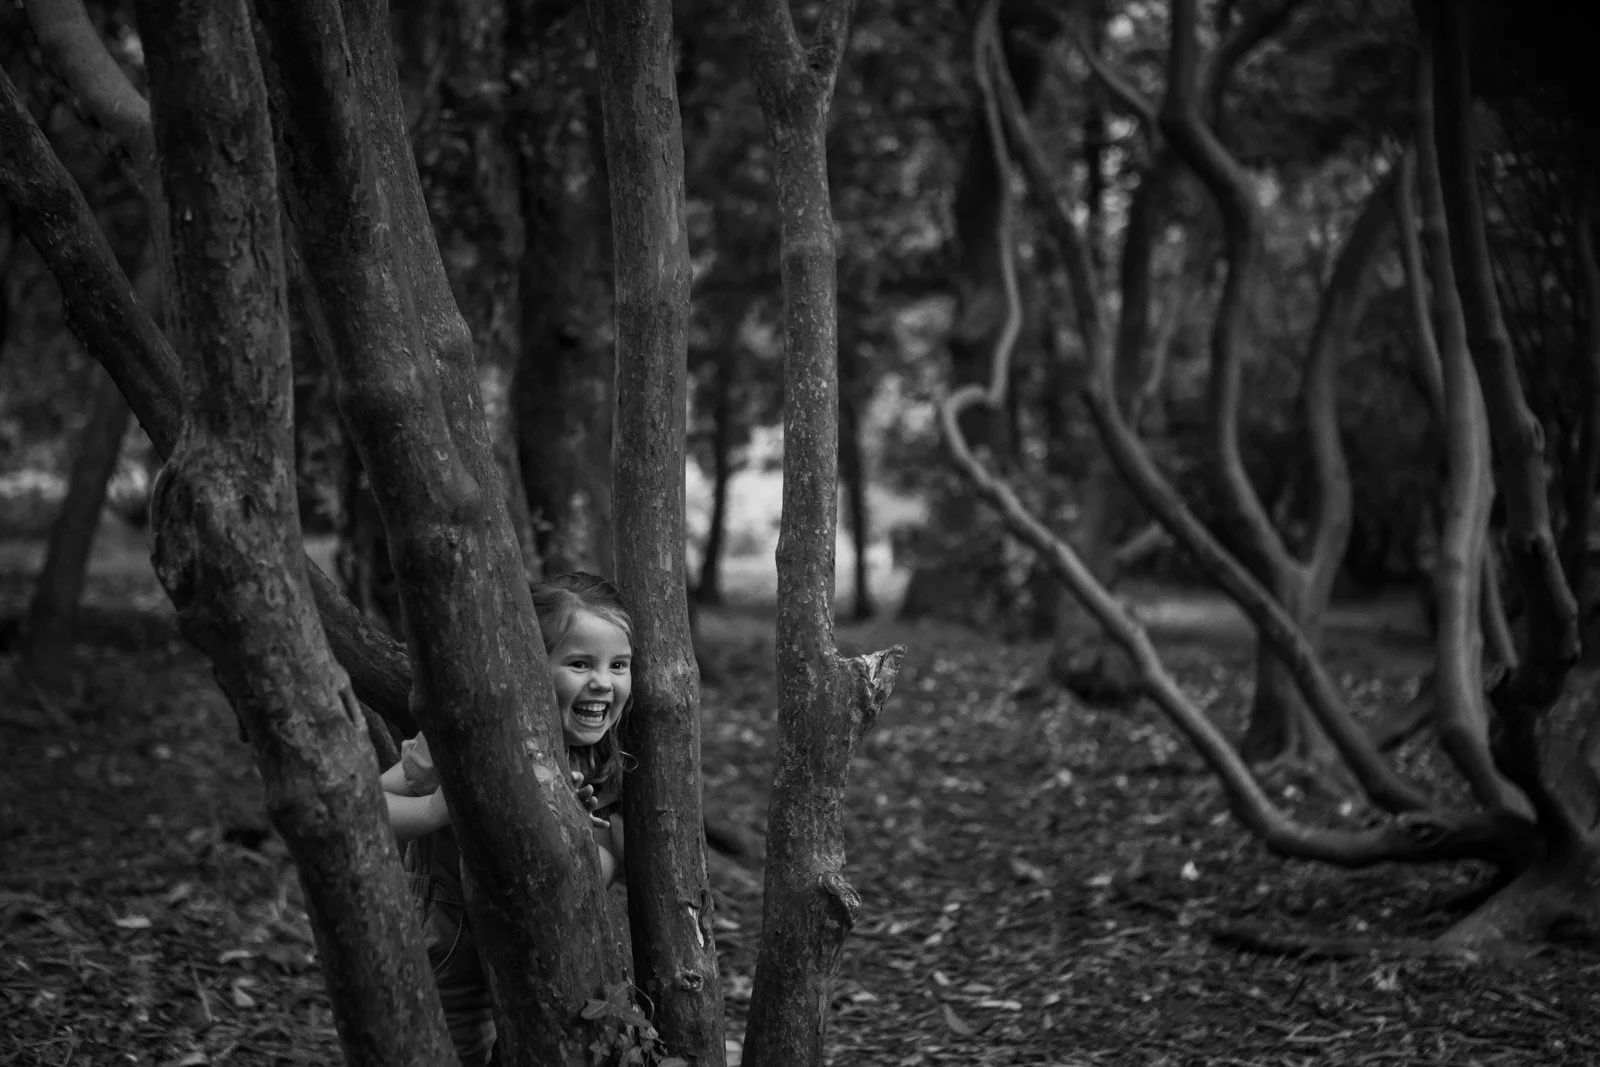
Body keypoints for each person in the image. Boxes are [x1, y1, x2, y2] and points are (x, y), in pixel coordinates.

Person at [380, 571, 634, 1066]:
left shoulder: (604, 760)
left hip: (544, 960)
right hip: (446, 943)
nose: (603, 681)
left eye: (619, 665)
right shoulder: (468, 739)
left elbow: (595, 875)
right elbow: (363, 810)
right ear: (528, 667)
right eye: (580, 663)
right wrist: (435, 810)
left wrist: (574, 833)